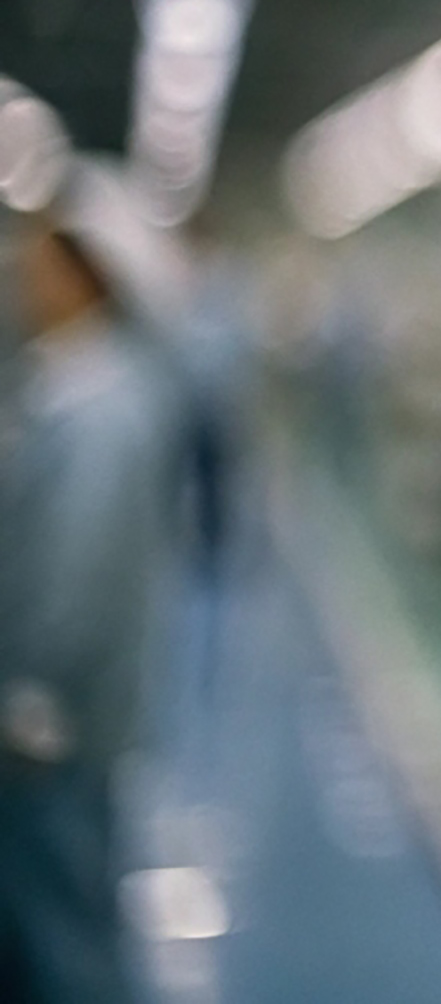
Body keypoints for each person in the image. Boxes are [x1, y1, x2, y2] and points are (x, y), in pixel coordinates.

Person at [0, 170, 185, 1003]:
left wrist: (35, 694)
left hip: (55, 729)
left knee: (62, 932)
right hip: (62, 719)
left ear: (86, 274)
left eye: (39, 261)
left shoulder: (100, 408)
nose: (23, 278)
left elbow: (75, 573)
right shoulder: (77, 390)